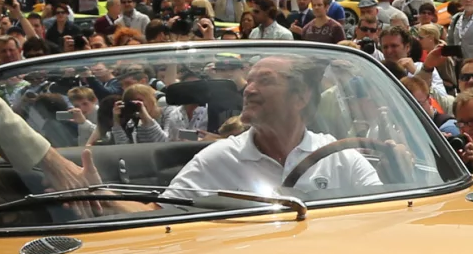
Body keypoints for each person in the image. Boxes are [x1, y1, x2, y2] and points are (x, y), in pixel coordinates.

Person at [162, 57, 379, 202]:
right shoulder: (218, 158)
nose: (249, 90)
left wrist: (402, 169)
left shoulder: (339, 158)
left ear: (301, 96)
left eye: (265, 81)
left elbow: (381, 214)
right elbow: (160, 213)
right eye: (249, 82)